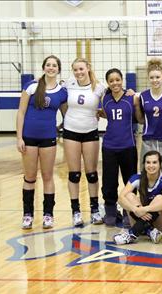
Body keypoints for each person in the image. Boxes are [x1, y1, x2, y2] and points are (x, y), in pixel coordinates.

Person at [16, 55, 68, 229]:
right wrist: (19, 137)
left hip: (48, 138)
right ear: (44, 67)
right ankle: (28, 215)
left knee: (47, 176)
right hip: (29, 138)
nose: (51, 68)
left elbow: (68, 115)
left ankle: (48, 215)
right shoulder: (31, 86)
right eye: (48, 65)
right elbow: (21, 113)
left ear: (58, 69)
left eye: (54, 65)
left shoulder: (61, 92)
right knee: (30, 177)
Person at [63, 58, 105, 226]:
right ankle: (76, 212)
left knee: (92, 173)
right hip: (71, 131)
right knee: (74, 174)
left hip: (90, 131)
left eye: (81, 69)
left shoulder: (99, 87)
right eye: (75, 70)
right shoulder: (68, 84)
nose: (78, 72)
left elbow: (114, 97)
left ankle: (95, 210)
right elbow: (51, 87)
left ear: (88, 68)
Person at [136, 58, 162, 216]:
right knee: (145, 176)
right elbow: (140, 118)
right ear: (148, 78)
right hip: (148, 142)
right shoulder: (142, 97)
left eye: (158, 77)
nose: (155, 80)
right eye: (152, 77)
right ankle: (144, 210)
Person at [99, 68, 138, 226]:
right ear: (108, 83)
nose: (115, 83)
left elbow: (139, 117)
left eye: (117, 79)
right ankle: (110, 210)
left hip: (128, 144)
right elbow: (105, 114)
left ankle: (129, 210)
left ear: (122, 80)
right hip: (109, 145)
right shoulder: (105, 99)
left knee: (130, 179)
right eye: (111, 80)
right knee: (109, 180)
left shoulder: (131, 98)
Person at [113, 151, 162, 244]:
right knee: (129, 196)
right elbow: (120, 198)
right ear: (144, 164)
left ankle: (131, 234)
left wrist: (144, 209)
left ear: (160, 164)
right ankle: (150, 231)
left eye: (154, 162)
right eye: (148, 162)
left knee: (160, 198)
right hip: (141, 218)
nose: (151, 165)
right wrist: (135, 209)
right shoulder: (137, 177)